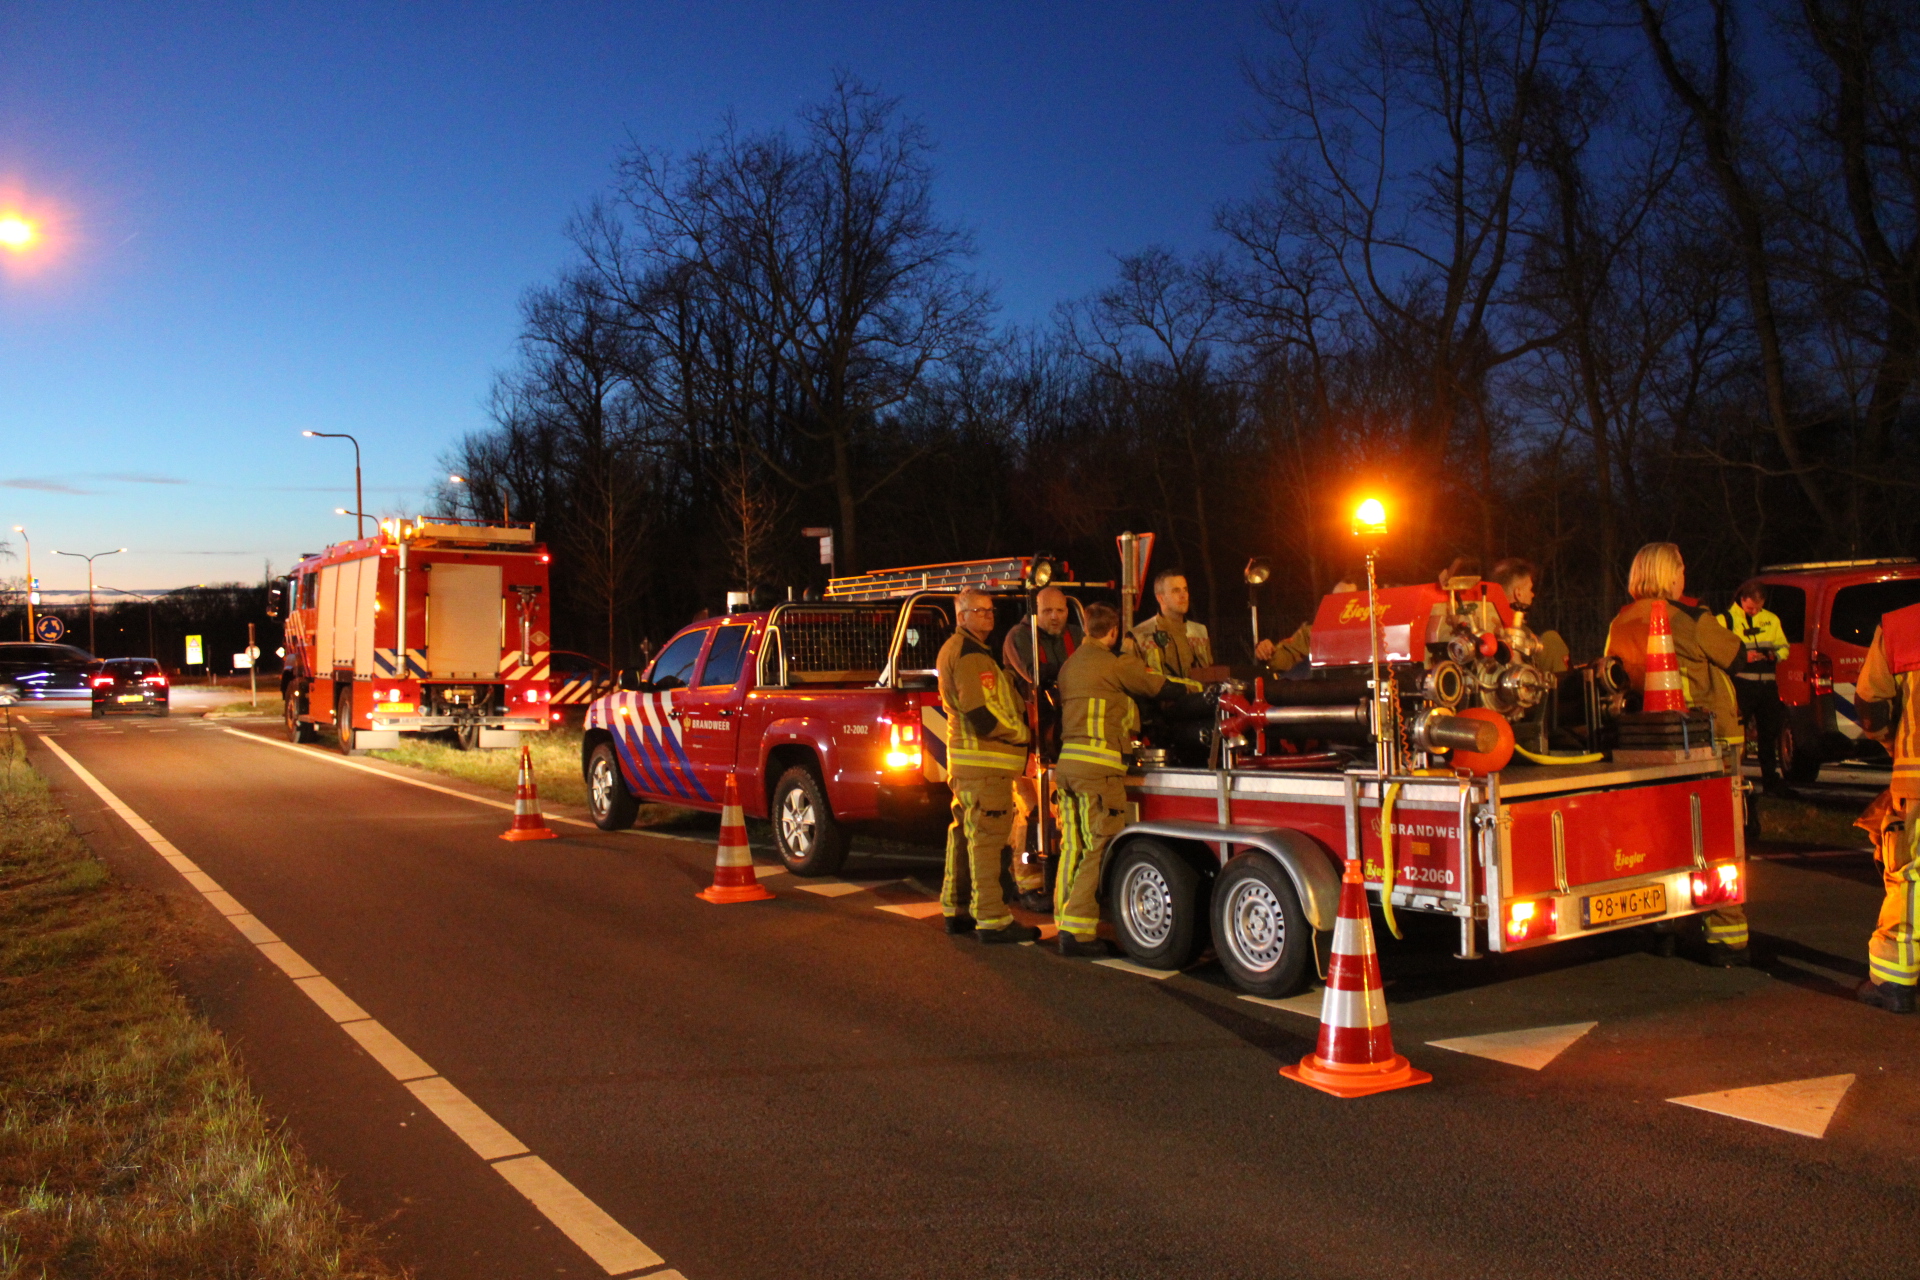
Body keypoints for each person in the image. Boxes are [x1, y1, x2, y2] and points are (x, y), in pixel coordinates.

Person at [1604, 542, 1749, 965]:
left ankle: (1663, 924)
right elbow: (1735, 656)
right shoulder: (1687, 617)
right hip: (1706, 742)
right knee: (1719, 835)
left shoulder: (1619, 621)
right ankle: (1727, 935)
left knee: (1660, 837)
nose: (1684, 575)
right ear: (1670, 575)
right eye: (1680, 568)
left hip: (1641, 746)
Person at [1054, 602, 1167, 957]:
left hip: (1068, 766)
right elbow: (1156, 686)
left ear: (1085, 627)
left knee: (1073, 846)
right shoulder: (1116, 663)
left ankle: (1064, 920)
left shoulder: (1069, 666)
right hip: (1098, 770)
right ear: (1114, 632)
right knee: (1098, 846)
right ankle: (1077, 932)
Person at [936, 589, 1040, 944]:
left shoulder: (971, 651)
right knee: (987, 843)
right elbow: (980, 714)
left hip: (970, 767)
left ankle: (957, 909)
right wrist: (1018, 733)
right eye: (978, 611)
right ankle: (993, 919)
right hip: (984, 767)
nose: (987, 616)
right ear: (961, 616)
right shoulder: (967, 655)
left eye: (990, 610)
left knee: (965, 837)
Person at [1854, 601, 1920, 1012]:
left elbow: (1870, 706)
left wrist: (1894, 744)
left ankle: (1895, 982)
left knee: (1911, 880)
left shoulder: (1902, 626)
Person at [1001, 586, 1082, 912]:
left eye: (1060, 611)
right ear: (1035, 612)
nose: (1055, 617)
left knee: (1062, 815)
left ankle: (1062, 879)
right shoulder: (1019, 638)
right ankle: (1030, 883)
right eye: (1048, 611)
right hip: (1027, 742)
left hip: (1064, 737)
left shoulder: (1075, 634)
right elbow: (1035, 676)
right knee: (1031, 815)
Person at [1721, 580, 1793, 798]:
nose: (1755, 612)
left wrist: (1774, 656)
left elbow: (1784, 647)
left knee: (1769, 734)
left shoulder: (1771, 620)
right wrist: (1744, 657)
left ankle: (1771, 781)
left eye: (1758, 608)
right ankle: (1733, 782)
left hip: (1767, 685)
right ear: (1742, 600)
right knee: (1736, 736)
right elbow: (1719, 650)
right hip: (1741, 685)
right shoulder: (1726, 620)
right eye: (1751, 608)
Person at [1253, 580, 1357, 676]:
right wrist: (1269, 651)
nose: (1341, 604)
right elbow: (1288, 656)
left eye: (1348, 599)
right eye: (1335, 599)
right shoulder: (1313, 632)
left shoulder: (1372, 631)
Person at [1489, 557, 1571, 676]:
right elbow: (1564, 687)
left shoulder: (1481, 634)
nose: (1532, 594)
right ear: (1519, 593)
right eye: (1530, 589)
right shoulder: (1546, 638)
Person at [1129, 569, 1211, 685]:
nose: (1183, 596)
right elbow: (1132, 681)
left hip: (1197, 700)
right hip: (1158, 702)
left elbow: (1208, 675)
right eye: (1176, 591)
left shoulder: (1199, 631)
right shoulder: (1140, 635)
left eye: (1185, 590)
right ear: (1160, 598)